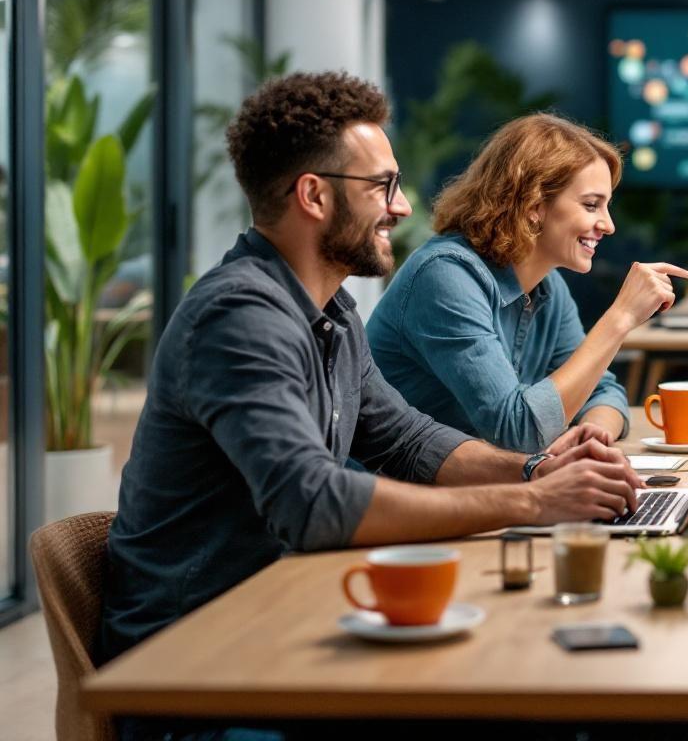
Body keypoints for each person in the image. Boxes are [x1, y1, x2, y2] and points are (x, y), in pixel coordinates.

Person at [100, 73, 643, 674]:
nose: (404, 207)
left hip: (286, 611)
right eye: (383, 186)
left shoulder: (331, 313)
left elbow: (407, 440)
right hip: (198, 657)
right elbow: (312, 502)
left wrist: (540, 470)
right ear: (314, 196)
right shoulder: (239, 318)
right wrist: (532, 500)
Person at [367, 113, 688, 454]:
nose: (608, 225)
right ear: (534, 205)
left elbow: (601, 391)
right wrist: (621, 318)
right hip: (399, 499)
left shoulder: (547, 286)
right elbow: (515, 429)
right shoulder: (445, 276)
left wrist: (591, 435)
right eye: (591, 205)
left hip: (485, 492)